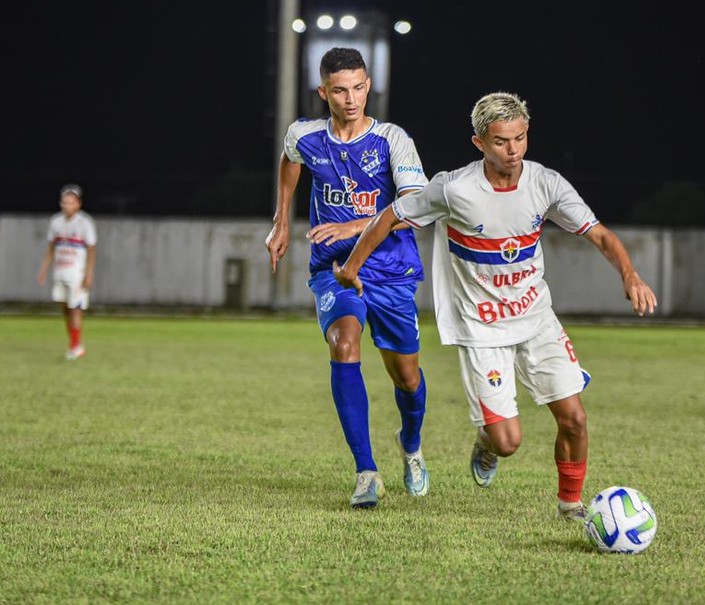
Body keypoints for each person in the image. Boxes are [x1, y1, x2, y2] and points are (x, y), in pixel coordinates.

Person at [333, 91, 658, 520]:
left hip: (536, 319)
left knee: (574, 418)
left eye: (521, 138)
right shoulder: (454, 188)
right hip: (482, 330)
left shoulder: (546, 183)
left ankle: (570, 505)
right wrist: (353, 267)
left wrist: (630, 275)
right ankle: (487, 443)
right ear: (479, 143)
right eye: (502, 141)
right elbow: (391, 214)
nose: (514, 150)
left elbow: (598, 233)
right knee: (508, 442)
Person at [264, 47, 430, 509]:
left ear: (368, 85)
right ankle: (366, 472)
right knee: (344, 343)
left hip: (390, 269)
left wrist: (354, 226)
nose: (351, 98)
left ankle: (411, 445)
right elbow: (289, 158)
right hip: (333, 270)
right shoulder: (305, 135)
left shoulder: (393, 140)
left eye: (358, 87)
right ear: (324, 92)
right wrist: (281, 222)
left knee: (408, 379)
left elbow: (414, 207)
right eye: (340, 90)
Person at [36, 183, 97, 361]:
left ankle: (75, 346)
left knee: (75, 308)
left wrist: (89, 274)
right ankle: (75, 342)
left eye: (71, 202)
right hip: (60, 271)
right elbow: (51, 248)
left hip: (77, 273)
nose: (67, 205)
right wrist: (43, 269)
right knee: (65, 308)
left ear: (78, 203)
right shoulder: (56, 222)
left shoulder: (85, 223)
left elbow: (92, 250)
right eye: (64, 202)